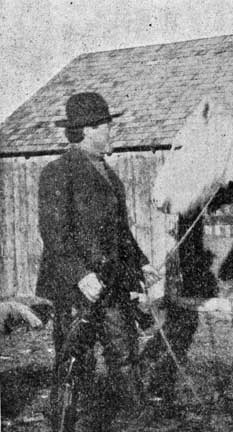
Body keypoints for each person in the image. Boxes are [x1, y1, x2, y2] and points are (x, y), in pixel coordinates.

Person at [37, 92, 161, 431]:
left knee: (125, 354)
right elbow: (54, 233)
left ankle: (137, 419)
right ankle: (68, 424)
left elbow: (121, 232)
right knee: (75, 363)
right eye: (108, 126)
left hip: (113, 283)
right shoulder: (57, 173)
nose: (112, 131)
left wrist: (141, 264)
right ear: (89, 130)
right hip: (76, 289)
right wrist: (80, 275)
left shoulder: (109, 174)